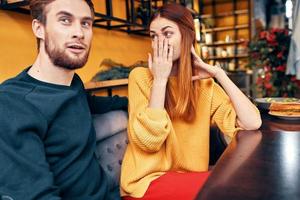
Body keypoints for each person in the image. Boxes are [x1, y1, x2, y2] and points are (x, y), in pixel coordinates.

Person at [120, 3, 261, 199]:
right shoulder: (141, 77)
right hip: (145, 183)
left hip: (187, 181)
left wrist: (219, 74)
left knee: (243, 183)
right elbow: (149, 142)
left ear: (187, 37)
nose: (158, 42)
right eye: (153, 36)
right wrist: (160, 80)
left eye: (167, 34)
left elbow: (252, 122)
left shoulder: (203, 85)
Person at [0, 0, 127, 199]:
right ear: (39, 28)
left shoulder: (73, 85)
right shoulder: (12, 103)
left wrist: (159, 96)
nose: (79, 32)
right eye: (65, 20)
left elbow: (110, 104)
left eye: (86, 23)